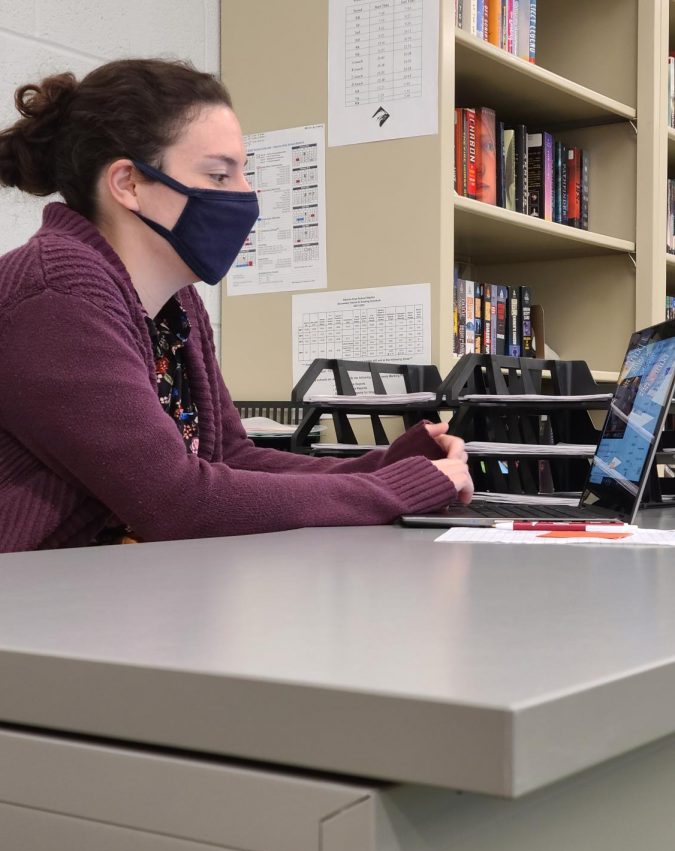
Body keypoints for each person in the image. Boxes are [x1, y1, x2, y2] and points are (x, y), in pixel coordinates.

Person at [0, 58, 473, 553]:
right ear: (128, 184)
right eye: (220, 176)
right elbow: (178, 501)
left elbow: (230, 457)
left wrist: (388, 466)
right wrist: (396, 490)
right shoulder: (55, 294)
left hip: (101, 593)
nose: (247, 195)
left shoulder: (175, 301)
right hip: (30, 603)